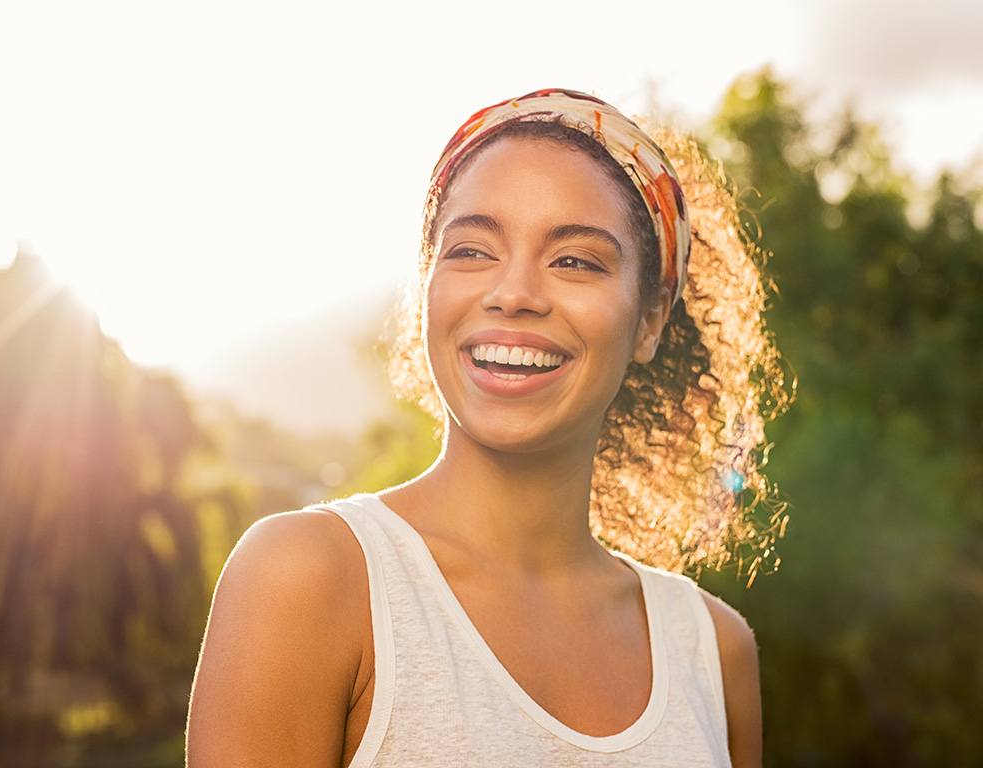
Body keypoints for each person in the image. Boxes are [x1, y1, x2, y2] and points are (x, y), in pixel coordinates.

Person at [186, 88, 787, 767]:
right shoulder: (308, 579)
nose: (513, 293)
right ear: (429, 287)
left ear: (649, 319)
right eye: (472, 250)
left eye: (575, 261)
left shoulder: (713, 651)